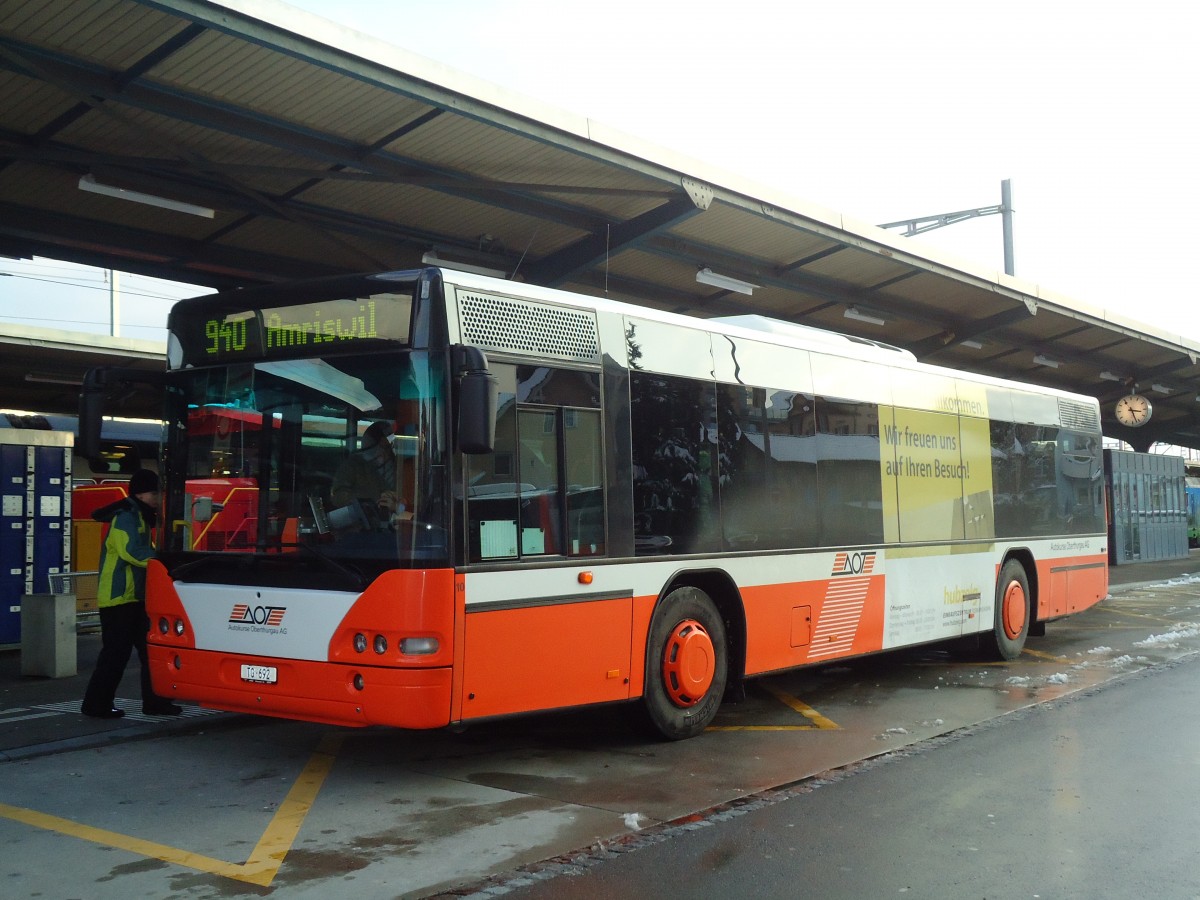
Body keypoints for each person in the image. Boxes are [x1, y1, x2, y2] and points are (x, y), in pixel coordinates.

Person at [81, 469, 182, 718]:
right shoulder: (126, 517)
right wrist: (164, 563)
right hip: (119, 597)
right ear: (141, 493)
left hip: (134, 597)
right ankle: (96, 704)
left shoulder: (140, 515)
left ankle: (155, 702)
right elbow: (132, 551)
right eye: (155, 492)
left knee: (148, 651)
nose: (159, 497)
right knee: (116, 654)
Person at [330, 420, 401, 521]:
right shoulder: (353, 465)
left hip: (397, 527)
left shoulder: (401, 465)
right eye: (390, 438)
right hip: (363, 526)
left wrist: (398, 505)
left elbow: (415, 500)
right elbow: (338, 497)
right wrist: (372, 501)